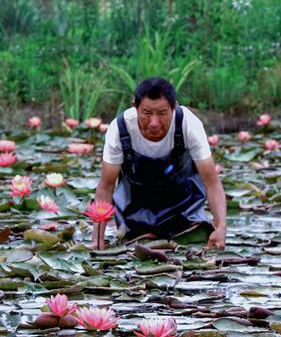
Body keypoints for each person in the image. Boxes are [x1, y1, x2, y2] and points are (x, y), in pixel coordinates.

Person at [92, 77, 227, 251]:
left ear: (174, 107)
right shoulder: (119, 128)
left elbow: (212, 182)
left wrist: (221, 226)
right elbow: (106, 186)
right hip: (135, 219)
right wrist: (97, 238)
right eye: (147, 113)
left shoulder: (189, 124)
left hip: (185, 216)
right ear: (135, 106)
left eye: (162, 113)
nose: (154, 123)